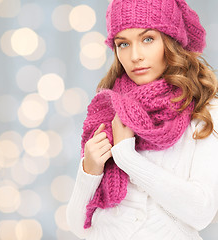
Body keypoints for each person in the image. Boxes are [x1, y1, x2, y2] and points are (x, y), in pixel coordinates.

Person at [66, 0, 218, 239]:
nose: (135, 56)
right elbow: (79, 226)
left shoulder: (204, 110)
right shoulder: (109, 108)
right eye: (123, 44)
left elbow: (201, 212)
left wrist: (126, 156)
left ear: (170, 40)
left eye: (148, 39)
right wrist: (90, 170)